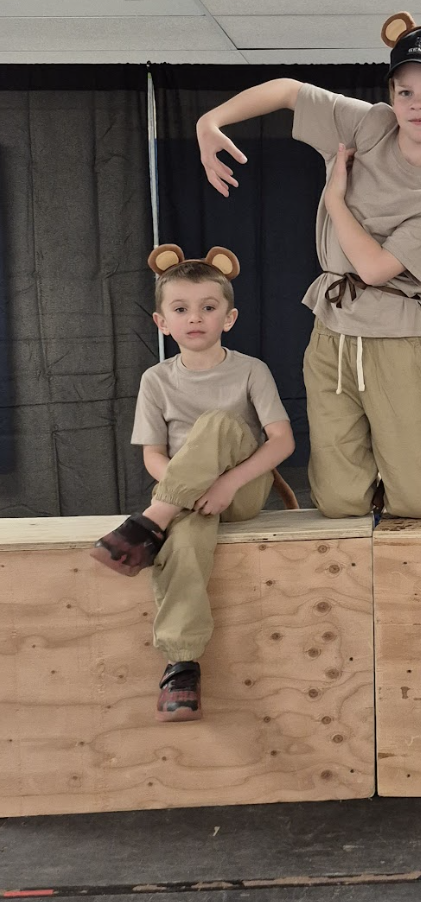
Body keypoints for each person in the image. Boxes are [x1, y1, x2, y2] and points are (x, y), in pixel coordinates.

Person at [195, 12, 421, 520]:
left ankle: (412, 505)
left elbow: (374, 269)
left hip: (397, 342)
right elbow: (285, 90)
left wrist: (336, 199)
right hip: (331, 332)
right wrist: (208, 120)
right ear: (391, 96)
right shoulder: (370, 123)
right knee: (339, 502)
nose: (417, 104)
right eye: (405, 91)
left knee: (419, 501)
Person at [91, 245, 295, 722]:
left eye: (208, 307)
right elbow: (154, 456)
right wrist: (184, 495)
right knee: (184, 539)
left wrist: (226, 484)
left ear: (229, 316)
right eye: (181, 309)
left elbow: (281, 442)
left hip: (240, 490)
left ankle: (146, 526)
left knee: (219, 424)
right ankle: (181, 664)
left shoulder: (250, 370)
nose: (195, 317)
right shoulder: (156, 379)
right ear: (162, 322)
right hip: (184, 498)